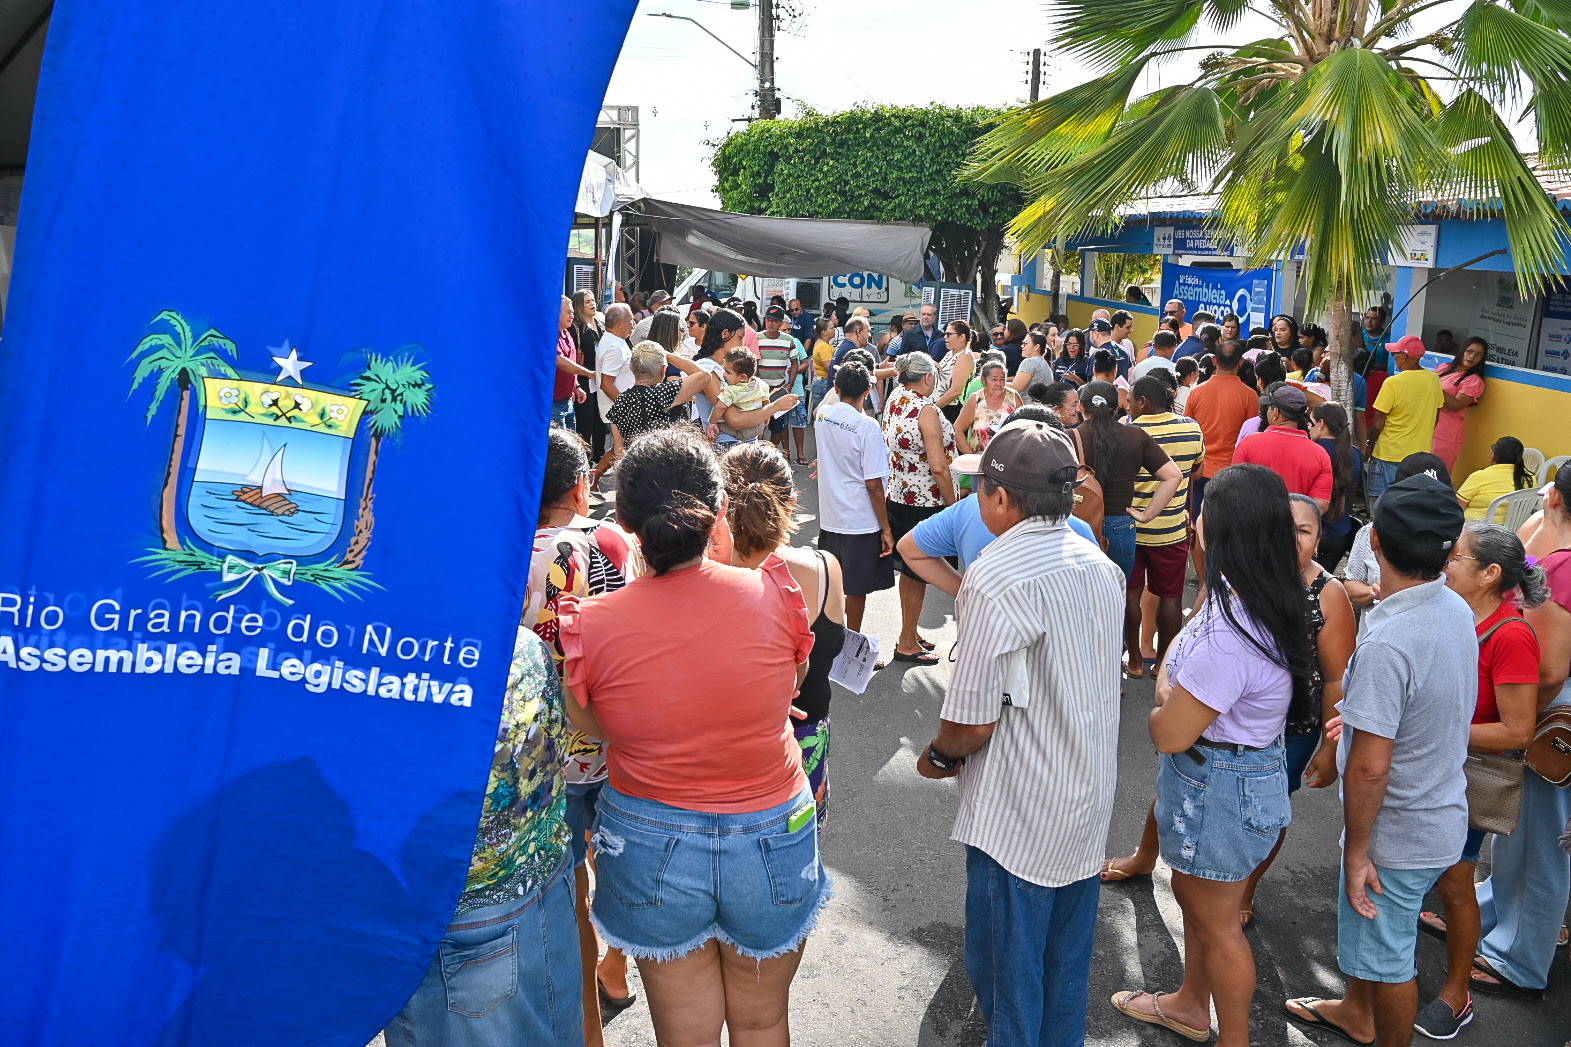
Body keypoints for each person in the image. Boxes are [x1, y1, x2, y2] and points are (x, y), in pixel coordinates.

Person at [558, 430, 825, 1047]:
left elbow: (596, 727)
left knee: (685, 1033)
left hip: (650, 836)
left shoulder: (591, 628)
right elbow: (792, 683)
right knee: (764, 1021)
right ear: (720, 510)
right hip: (771, 828)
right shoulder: (775, 593)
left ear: (623, 520)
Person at [916, 419, 1124, 1047]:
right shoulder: (1098, 563)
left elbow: (972, 721)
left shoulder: (996, 574)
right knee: (1064, 967)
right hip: (1085, 795)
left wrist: (937, 754)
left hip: (1020, 810)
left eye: (981, 486)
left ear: (1001, 499)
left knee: (1008, 973)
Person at [1111, 465, 1314, 1047]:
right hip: (1229, 779)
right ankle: (1189, 1004)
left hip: (1218, 787)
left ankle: (1233, 1037)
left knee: (1219, 925)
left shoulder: (1235, 629)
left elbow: (1169, 734)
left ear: (1215, 531)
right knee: (1200, 906)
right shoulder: (1258, 592)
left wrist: (1162, 696)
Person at [1284, 473, 1473, 1047]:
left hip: (1398, 830)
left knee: (1390, 956)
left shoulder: (1391, 639)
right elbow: (1427, 705)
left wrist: (1359, 850)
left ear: (1377, 546)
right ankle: (1355, 1010)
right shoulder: (1453, 608)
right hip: (1439, 807)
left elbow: (1369, 767)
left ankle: (1380, 1029)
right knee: (1375, 942)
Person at [523, 429, 640, 1041]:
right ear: (580, 485)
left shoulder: (510, 551)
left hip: (542, 753)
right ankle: (617, 969)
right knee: (620, 866)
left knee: (570, 886)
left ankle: (589, 1029)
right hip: (615, 738)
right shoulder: (610, 544)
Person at [1407, 523, 1545, 1038]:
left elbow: (1518, 729)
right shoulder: (1453, 613)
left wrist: (1432, 728)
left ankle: (1456, 994)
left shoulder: (1511, 634)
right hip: (1434, 769)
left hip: (1464, 780)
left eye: (1458, 557)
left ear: (1490, 574)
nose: (1447, 562)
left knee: (1454, 882)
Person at [1469, 462, 1571, 999]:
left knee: (1541, 839)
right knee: (1534, 836)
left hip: (1558, 721)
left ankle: (1520, 958)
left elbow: (1551, 670)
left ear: (1553, 499)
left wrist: (1519, 728)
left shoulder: (1560, 568)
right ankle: (1499, 914)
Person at [1235, 494, 1356, 928]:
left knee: (1268, 809)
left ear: (1319, 541)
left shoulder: (1329, 594)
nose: (1291, 538)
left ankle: (1244, 890)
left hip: (1294, 730)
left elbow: (1338, 679)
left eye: (1303, 530)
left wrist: (1329, 746)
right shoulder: (1241, 575)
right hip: (1228, 715)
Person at [722, 442, 847, 822]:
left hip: (723, 748)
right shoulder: (824, 568)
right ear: (792, 502)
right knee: (798, 853)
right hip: (805, 738)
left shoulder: (698, 573)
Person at [896, 409, 1099, 592]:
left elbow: (909, 548)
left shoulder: (968, 509)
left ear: (1000, 498)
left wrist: (968, 594)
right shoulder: (1080, 534)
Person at [1124, 374, 1203, 677]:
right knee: (1171, 596)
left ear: (1143, 401)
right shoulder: (1191, 428)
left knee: (1131, 595)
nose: (1128, 405)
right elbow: (1197, 470)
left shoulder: (1128, 432)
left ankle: (1133, 661)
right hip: (1171, 530)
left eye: (1131, 400)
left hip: (1132, 528)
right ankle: (1162, 664)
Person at [882, 352, 957, 665]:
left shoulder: (896, 397)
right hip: (925, 501)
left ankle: (909, 633)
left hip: (898, 495)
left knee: (912, 574)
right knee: (917, 574)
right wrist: (954, 505)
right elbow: (939, 467)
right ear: (928, 378)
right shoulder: (925, 409)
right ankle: (906, 642)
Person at [814, 362, 895, 635]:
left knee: (833, 585)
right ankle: (851, 646)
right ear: (868, 390)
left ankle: (834, 642)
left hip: (831, 516)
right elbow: (873, 483)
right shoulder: (867, 426)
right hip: (859, 520)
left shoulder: (823, 415)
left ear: (836, 388)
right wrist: (886, 527)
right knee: (856, 589)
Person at [1077, 380, 1180, 581]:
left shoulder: (1070, 437)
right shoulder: (1136, 436)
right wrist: (1147, 515)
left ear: (1081, 406)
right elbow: (1173, 475)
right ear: (1116, 408)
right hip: (1121, 526)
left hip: (1080, 525)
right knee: (1119, 596)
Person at [1343, 453, 1452, 616]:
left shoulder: (1459, 538)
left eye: (1435, 497)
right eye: (1414, 497)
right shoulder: (1371, 531)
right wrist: (1373, 592)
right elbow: (1351, 586)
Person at [1367, 334, 1445, 509]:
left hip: (1390, 452)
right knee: (1408, 501)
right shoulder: (1433, 379)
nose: (1393, 357)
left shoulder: (1393, 382)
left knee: (1382, 501)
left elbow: (1378, 420)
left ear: (1404, 356)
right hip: (1419, 455)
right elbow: (1436, 416)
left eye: (1395, 354)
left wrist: (1370, 444)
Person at [1183, 339, 1258, 518]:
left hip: (1199, 471)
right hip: (1232, 473)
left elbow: (1188, 432)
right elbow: (1251, 438)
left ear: (1214, 361)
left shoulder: (1196, 392)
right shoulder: (1249, 395)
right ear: (1240, 363)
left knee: (1196, 526)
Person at [606, 343, 711, 465]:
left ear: (632, 369)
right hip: (668, 466)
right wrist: (667, 355)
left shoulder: (620, 401)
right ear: (663, 370)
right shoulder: (663, 392)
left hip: (636, 469)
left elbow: (619, 452)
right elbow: (705, 375)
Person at [1234, 384, 1333, 511]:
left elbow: (1235, 489)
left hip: (1253, 525)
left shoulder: (1249, 444)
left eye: (1269, 408)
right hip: (1294, 528)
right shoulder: (1320, 454)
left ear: (1276, 413)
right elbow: (1321, 505)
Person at [1311, 403, 1363, 570]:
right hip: (1341, 532)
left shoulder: (1315, 451)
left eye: (1310, 423)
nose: (1308, 427)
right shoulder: (1354, 453)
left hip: (1315, 533)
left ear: (1321, 424)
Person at [758, 305, 810, 462]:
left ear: (781, 323)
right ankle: (758, 456)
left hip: (779, 390)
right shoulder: (757, 337)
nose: (770, 323)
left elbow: (795, 362)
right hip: (760, 390)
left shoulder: (788, 340)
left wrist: (790, 384)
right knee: (758, 426)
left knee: (777, 427)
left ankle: (770, 458)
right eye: (768, 319)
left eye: (774, 320)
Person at [1432, 337, 1489, 470]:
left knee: (1437, 475)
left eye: (1478, 354)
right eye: (1469, 351)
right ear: (1462, 351)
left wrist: (1434, 386)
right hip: (1427, 427)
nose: (1472, 356)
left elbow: (1455, 405)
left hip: (1446, 435)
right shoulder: (1444, 367)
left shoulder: (1474, 381)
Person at [954, 358, 1023, 463]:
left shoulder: (1013, 397)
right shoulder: (976, 399)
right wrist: (971, 458)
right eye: (994, 380)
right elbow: (957, 429)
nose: (999, 384)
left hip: (1009, 462)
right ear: (983, 380)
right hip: (981, 463)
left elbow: (1025, 427)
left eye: (1002, 379)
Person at [1457, 435, 1535, 521]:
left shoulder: (1478, 477)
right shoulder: (1530, 478)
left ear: (1493, 456)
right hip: (1513, 531)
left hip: (1476, 530)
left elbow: (1458, 508)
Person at [572, 288, 606, 459]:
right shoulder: (575, 328)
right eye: (587, 301)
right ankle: (584, 458)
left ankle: (598, 456)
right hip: (584, 379)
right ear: (579, 305)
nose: (592, 304)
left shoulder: (601, 324)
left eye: (593, 300)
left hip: (601, 378)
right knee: (585, 422)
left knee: (601, 420)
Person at [553, 295, 593, 430]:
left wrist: (576, 386)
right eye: (568, 312)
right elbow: (559, 361)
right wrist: (588, 373)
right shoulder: (550, 336)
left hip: (568, 402)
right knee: (560, 449)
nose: (572, 316)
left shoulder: (568, 334)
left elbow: (570, 362)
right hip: (554, 404)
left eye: (572, 313)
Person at [933, 319, 981, 423]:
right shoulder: (950, 353)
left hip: (951, 409)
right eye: (945, 334)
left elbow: (956, 391)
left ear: (962, 337)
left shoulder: (964, 356)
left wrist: (934, 409)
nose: (945, 337)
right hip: (942, 406)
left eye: (949, 334)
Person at [809, 315, 837, 411]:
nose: (834, 330)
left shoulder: (822, 343)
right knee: (823, 411)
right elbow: (829, 367)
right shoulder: (823, 346)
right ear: (824, 332)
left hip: (821, 381)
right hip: (823, 382)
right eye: (832, 328)